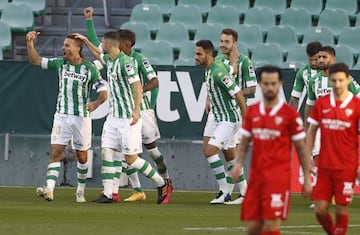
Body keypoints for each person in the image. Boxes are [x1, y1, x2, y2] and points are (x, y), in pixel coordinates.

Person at [84, 7, 172, 203]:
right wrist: (84, 39)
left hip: (129, 118)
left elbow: (138, 86)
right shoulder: (110, 60)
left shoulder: (128, 62)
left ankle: (161, 183)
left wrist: (135, 111)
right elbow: (97, 53)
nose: (102, 46)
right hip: (113, 117)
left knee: (131, 158)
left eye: (104, 43)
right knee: (108, 151)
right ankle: (108, 194)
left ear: (111, 44)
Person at [26, 31, 108, 202]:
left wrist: (96, 103)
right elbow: (35, 60)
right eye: (63, 45)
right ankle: (49, 189)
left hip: (81, 118)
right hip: (62, 115)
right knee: (56, 152)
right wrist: (30, 43)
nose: (63, 48)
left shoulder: (89, 68)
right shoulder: (60, 64)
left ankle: (80, 191)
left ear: (78, 49)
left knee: (82, 156)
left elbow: (103, 91)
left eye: (67, 45)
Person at [230, 65, 312, 235]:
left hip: (278, 180)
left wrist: (307, 178)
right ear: (260, 84)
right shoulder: (252, 112)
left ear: (280, 83)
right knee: (252, 228)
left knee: (271, 225)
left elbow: (301, 148)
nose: (270, 87)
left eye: (273, 84)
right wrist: (238, 164)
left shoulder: (290, 115)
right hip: (257, 179)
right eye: (266, 84)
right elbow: (244, 142)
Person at [306, 63, 360, 235]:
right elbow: (312, 129)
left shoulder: (356, 105)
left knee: (341, 210)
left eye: (341, 80)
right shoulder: (322, 103)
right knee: (319, 210)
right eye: (334, 80)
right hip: (324, 166)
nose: (337, 84)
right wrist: (308, 156)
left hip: (346, 166)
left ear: (348, 80)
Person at [205, 28, 257, 205]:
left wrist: (233, 93)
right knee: (216, 150)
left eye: (227, 42)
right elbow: (213, 83)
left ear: (235, 43)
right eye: (221, 41)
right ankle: (241, 191)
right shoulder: (218, 60)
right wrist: (208, 99)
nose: (222, 45)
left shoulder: (245, 62)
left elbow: (252, 88)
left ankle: (227, 191)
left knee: (225, 153)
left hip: (232, 111)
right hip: (216, 112)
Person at [195, 39, 247, 204]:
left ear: (208, 54)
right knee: (230, 156)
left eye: (199, 54)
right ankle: (246, 191)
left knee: (210, 151)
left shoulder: (217, 72)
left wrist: (247, 119)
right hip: (218, 117)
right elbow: (232, 70)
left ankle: (224, 191)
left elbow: (238, 93)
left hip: (229, 119)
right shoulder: (211, 67)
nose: (195, 57)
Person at [289, 41, 323, 111]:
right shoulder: (302, 72)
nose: (313, 63)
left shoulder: (330, 71)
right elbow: (295, 98)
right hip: (312, 110)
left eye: (316, 59)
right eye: (310, 60)